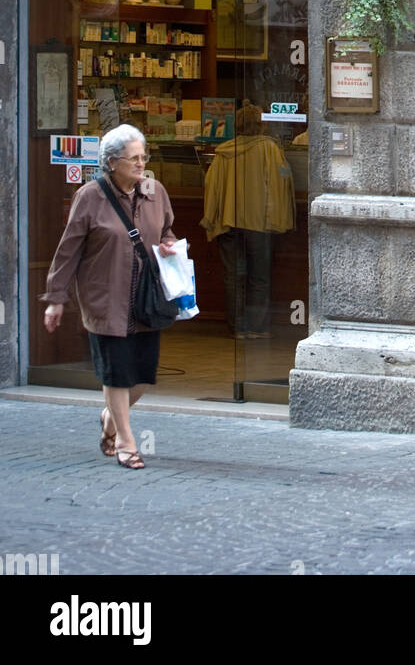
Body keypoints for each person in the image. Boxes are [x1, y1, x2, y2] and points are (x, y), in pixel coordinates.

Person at [43, 124, 179, 470]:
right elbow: (68, 250)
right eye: (133, 158)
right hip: (105, 298)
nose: (140, 164)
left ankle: (109, 420)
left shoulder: (155, 191)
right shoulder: (90, 196)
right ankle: (125, 441)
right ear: (112, 161)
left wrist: (168, 243)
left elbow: (166, 230)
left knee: (143, 376)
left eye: (143, 157)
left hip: (147, 297)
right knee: (116, 373)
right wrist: (56, 297)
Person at [201, 103, 294, 337]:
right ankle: (257, 326)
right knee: (259, 277)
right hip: (260, 222)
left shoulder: (223, 151)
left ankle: (237, 328)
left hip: (229, 221)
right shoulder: (270, 149)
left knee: (233, 276)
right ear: (261, 125)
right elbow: (281, 182)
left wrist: (210, 218)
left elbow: (211, 188)